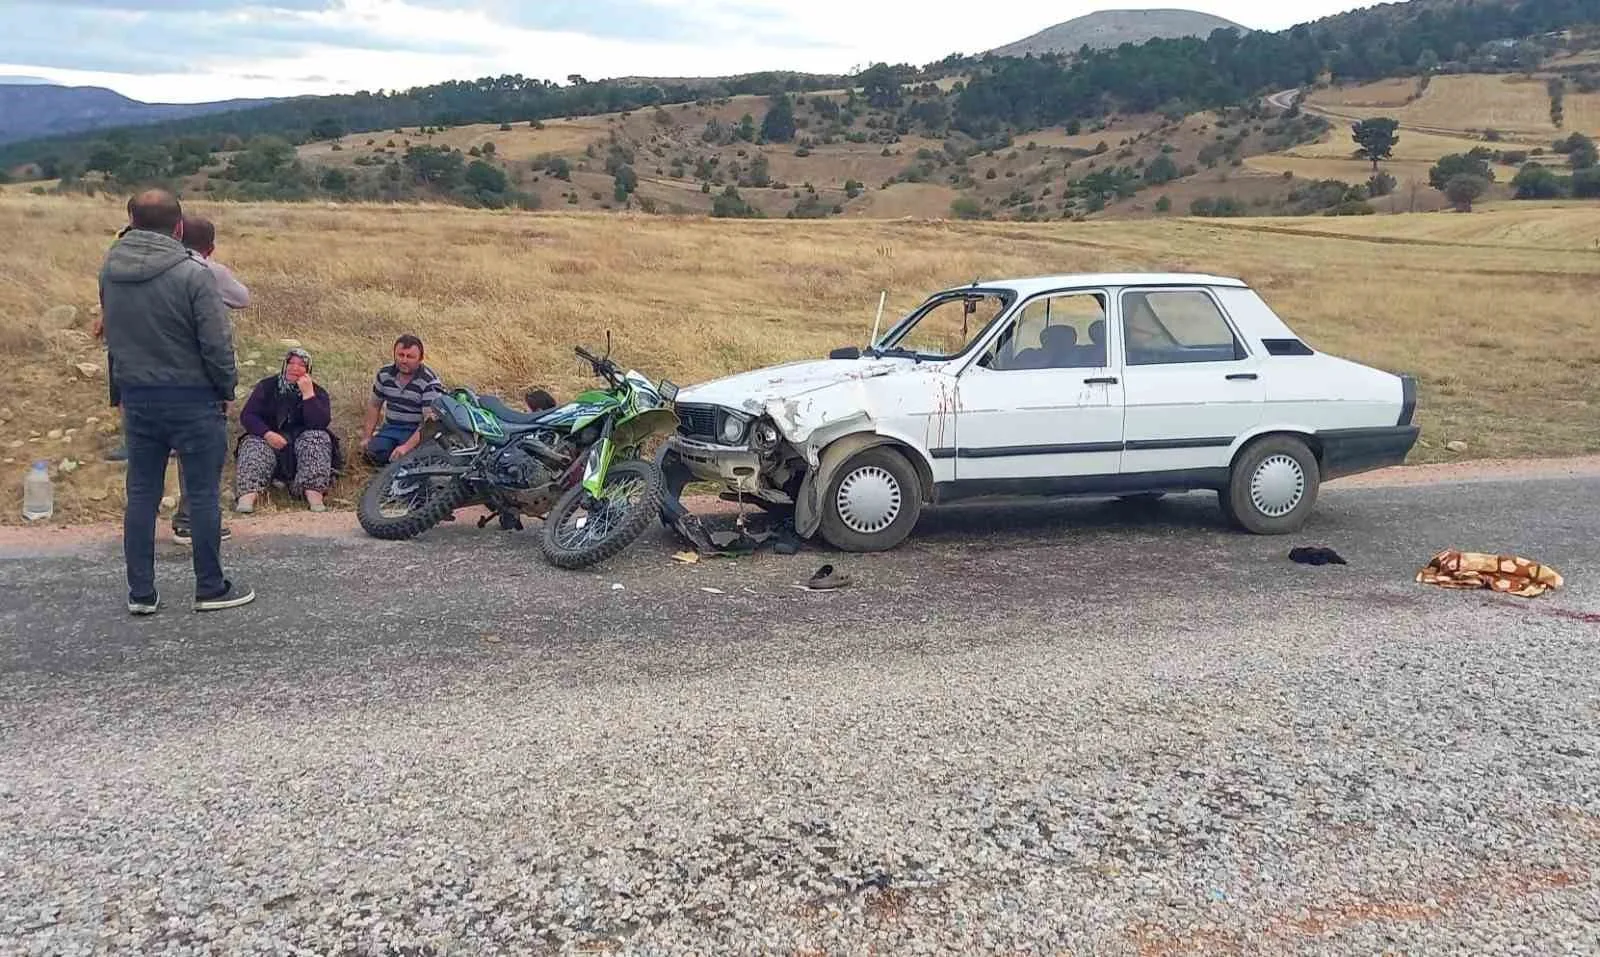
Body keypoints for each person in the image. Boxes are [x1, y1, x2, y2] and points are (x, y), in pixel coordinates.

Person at [99, 189, 254, 614]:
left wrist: (120, 394)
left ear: (131, 219)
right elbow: (216, 344)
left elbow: (114, 337)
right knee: (202, 494)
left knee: (141, 495)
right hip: (191, 397)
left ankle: (141, 594)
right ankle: (210, 587)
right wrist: (226, 389)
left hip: (138, 396)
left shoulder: (109, 268)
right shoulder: (194, 274)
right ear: (179, 226)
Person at [170, 214, 251, 544]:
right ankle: (194, 520)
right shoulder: (208, 271)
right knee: (203, 452)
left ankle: (169, 521)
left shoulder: (161, 268)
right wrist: (226, 384)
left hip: (158, 373)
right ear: (211, 247)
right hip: (199, 377)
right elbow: (242, 299)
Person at [234, 348, 342, 513]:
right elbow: (248, 416)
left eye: (301, 365)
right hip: (270, 443)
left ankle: (314, 496)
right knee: (253, 443)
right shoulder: (267, 386)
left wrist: (308, 395)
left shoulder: (317, 392)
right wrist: (267, 434)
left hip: (302, 449)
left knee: (318, 438)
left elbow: (319, 423)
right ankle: (247, 498)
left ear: (308, 370)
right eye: (291, 363)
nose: (294, 368)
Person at [360, 335, 444, 465]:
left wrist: (406, 448)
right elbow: (374, 406)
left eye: (410, 357)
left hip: (416, 431)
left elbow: (429, 423)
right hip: (391, 428)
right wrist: (367, 437)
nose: (404, 360)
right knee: (372, 455)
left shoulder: (429, 381)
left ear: (420, 359)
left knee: (410, 461)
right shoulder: (384, 374)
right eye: (400, 355)